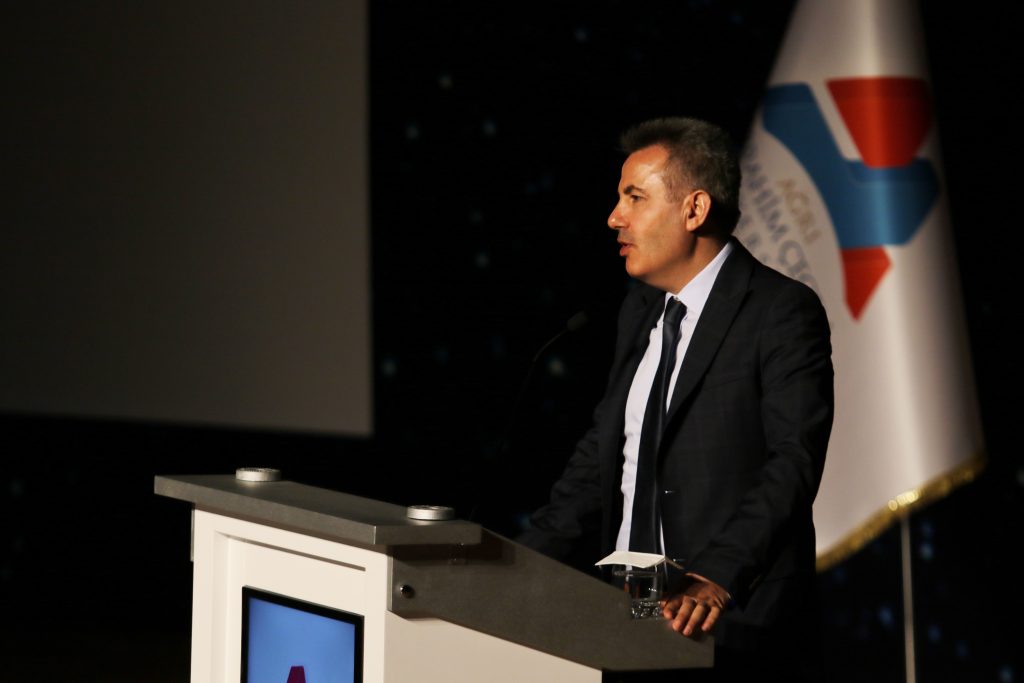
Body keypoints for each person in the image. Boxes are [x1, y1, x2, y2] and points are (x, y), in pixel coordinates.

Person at [518, 117, 834, 682]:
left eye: (634, 198)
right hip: (628, 610)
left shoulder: (780, 311)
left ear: (694, 210)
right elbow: (604, 455)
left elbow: (794, 461)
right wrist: (520, 562)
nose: (614, 217)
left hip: (725, 621)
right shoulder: (640, 308)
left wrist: (717, 576)